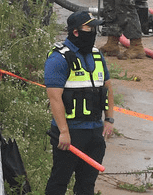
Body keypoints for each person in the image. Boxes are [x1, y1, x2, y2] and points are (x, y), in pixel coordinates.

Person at [43, 10, 115, 195]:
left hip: (94, 131)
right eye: (89, 28)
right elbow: (55, 98)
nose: (93, 33)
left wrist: (109, 119)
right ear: (76, 32)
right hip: (71, 132)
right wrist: (64, 132)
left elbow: (106, 89)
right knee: (59, 181)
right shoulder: (58, 58)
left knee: (87, 184)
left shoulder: (97, 56)